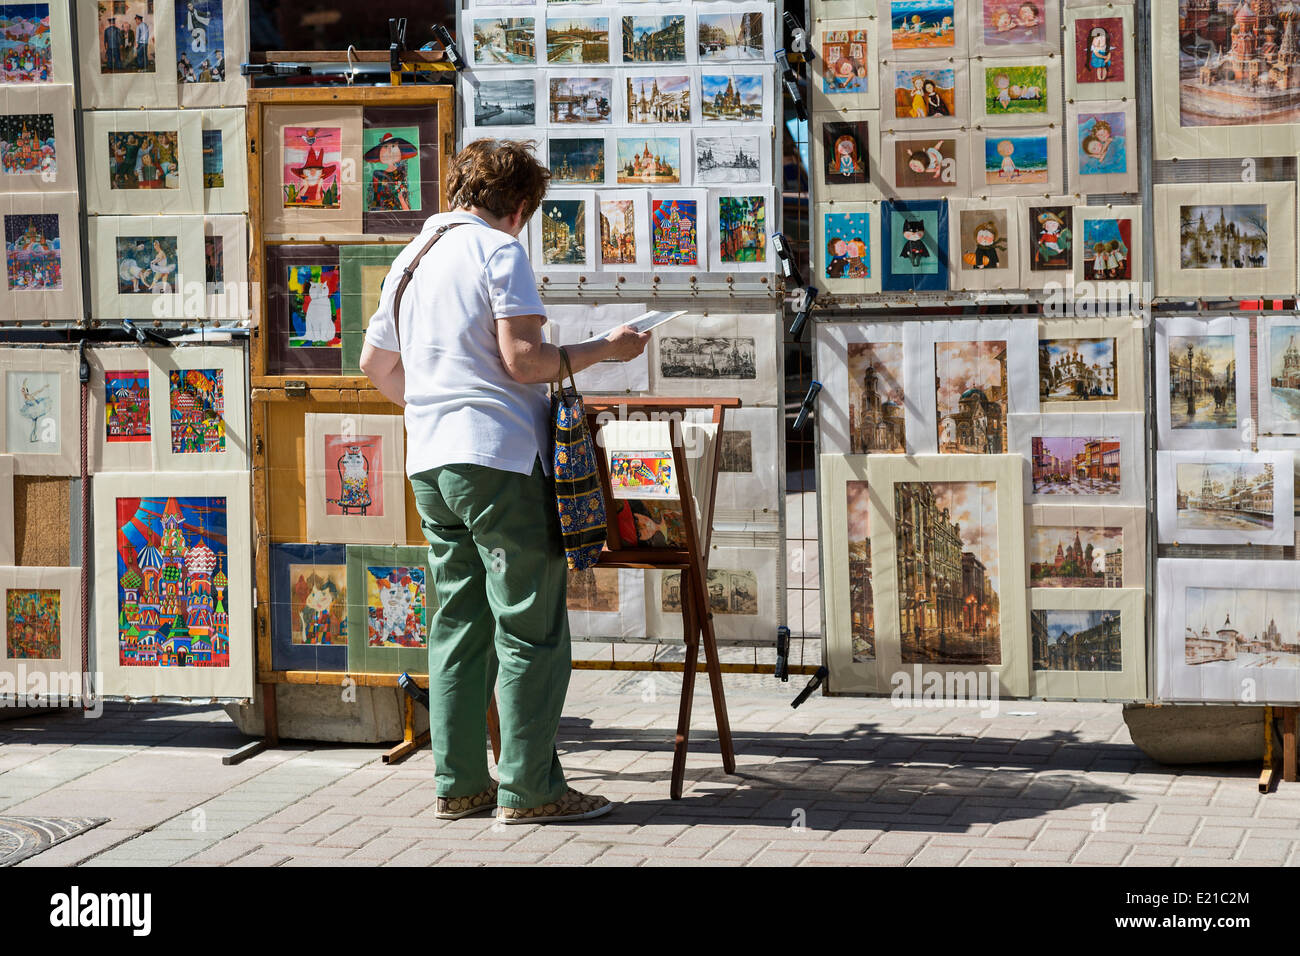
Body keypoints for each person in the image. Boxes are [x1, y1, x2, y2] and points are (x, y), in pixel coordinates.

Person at [360, 140, 649, 825]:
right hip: (499, 462)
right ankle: (531, 789)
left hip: (431, 464)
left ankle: (459, 785)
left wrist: (437, 403)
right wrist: (606, 349)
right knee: (530, 630)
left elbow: (376, 363)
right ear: (520, 208)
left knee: (457, 624)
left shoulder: (411, 259)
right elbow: (525, 362)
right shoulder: (498, 250)